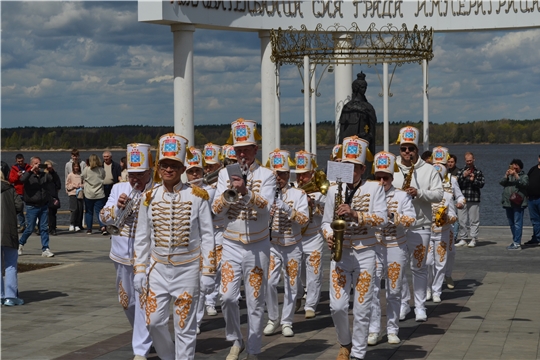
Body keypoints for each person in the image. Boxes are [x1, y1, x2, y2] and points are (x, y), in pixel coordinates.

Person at [133, 133, 216, 360]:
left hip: (187, 269)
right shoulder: (149, 197)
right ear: (159, 168)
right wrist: (140, 269)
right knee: (154, 321)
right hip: (158, 269)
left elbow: (208, 236)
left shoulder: (197, 196)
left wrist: (208, 271)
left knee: (185, 327)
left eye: (174, 166)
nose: (168, 170)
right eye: (165, 165)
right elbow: (142, 236)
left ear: (182, 169)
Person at [212, 118, 276, 360]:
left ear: (255, 150)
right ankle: (235, 340)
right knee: (227, 296)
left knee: (255, 300)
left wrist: (246, 192)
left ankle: (254, 348)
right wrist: (230, 192)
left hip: (258, 245)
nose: (241, 155)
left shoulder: (268, 175)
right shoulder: (223, 175)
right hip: (230, 243)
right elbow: (216, 209)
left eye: (246, 150)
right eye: (237, 150)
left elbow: (266, 207)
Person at [321, 136, 387, 360]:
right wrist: (329, 236)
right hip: (342, 253)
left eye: (353, 167)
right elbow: (324, 222)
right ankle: (345, 343)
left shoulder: (375, 188)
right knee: (337, 307)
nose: (349, 171)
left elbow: (382, 219)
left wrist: (355, 214)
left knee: (362, 307)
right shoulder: (333, 190)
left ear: (362, 168)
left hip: (366, 252)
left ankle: (358, 354)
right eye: (345, 166)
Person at [100, 143, 154, 360]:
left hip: (147, 256)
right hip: (121, 254)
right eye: (132, 175)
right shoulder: (118, 189)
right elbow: (103, 217)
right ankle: (143, 335)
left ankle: (140, 349)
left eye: (140, 175)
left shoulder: (157, 190)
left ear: (149, 172)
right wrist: (117, 209)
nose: (135, 180)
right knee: (127, 302)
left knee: (143, 300)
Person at [392, 126, 443, 322]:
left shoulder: (428, 169)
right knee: (400, 267)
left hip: (421, 225)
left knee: (420, 267)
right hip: (398, 227)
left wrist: (419, 193)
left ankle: (420, 306)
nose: (407, 152)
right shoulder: (391, 167)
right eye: (404, 148)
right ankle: (405, 303)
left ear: (417, 149)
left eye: (410, 149)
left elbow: (439, 194)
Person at [367, 151, 415, 346]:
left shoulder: (402, 196)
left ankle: (393, 328)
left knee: (394, 290)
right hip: (375, 246)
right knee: (372, 289)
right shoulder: (368, 194)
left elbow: (411, 220)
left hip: (396, 245)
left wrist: (392, 216)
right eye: (377, 177)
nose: (381, 181)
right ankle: (373, 329)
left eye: (385, 177)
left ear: (391, 177)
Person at [264, 149, 309, 338]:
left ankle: (287, 321)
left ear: (288, 174)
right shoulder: (265, 194)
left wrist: (287, 209)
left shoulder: (298, 194)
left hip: (292, 245)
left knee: (292, 284)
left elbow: (304, 219)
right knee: (269, 283)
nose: (278, 178)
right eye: (275, 174)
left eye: (281, 174)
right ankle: (273, 318)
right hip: (273, 244)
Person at [185, 147, 219, 334]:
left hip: (202, 243)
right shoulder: (181, 190)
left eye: (197, 171)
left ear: (203, 171)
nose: (194, 175)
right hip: (185, 246)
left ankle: (196, 321)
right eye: (191, 172)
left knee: (198, 286)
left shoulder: (209, 191)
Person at [294, 150, 327, 320]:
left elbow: (328, 211)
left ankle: (311, 305)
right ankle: (299, 294)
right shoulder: (293, 190)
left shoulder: (320, 192)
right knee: (297, 272)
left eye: (304, 175)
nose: (301, 179)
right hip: (296, 237)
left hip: (313, 236)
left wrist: (314, 204)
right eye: (299, 175)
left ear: (312, 174)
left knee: (314, 272)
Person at [426, 163, 457, 303]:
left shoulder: (448, 196)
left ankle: (436, 290)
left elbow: (454, 216)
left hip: (442, 233)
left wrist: (446, 219)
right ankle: (427, 288)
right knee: (427, 263)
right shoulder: (424, 194)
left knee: (440, 263)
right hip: (427, 232)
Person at [199, 143, 223, 319]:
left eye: (211, 166)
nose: (208, 170)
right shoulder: (199, 185)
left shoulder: (222, 183)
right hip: (203, 232)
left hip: (220, 229)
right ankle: (205, 303)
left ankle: (211, 300)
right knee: (203, 267)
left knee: (218, 267)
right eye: (205, 166)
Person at [338, 72, 377, 174]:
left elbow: (372, 132)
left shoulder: (368, 107)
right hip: (349, 152)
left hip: (364, 150)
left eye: (365, 87)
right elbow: (342, 134)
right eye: (362, 87)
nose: (364, 89)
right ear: (356, 88)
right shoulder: (348, 108)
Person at [17, 156, 55, 258]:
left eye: (39, 163)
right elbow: (22, 180)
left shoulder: (44, 175)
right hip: (31, 206)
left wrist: (50, 170)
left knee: (43, 228)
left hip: (43, 205)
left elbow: (52, 179)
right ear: (31, 164)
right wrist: (31, 170)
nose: (38, 166)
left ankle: (45, 248)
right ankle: (20, 244)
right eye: (35, 163)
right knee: (30, 228)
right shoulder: (28, 175)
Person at [1, 172, 25, 306]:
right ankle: (10, 296)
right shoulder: (10, 189)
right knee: (10, 264)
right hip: (8, 230)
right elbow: (19, 206)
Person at [455, 152, 485, 248]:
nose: (469, 162)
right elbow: (455, 183)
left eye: (470, 160)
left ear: (474, 160)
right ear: (465, 160)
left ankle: (474, 238)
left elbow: (482, 184)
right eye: (467, 161)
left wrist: (474, 180)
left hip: (474, 198)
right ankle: (463, 238)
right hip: (462, 198)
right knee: (461, 220)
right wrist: (464, 176)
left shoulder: (478, 171)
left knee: (474, 220)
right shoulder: (460, 171)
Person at [500, 159, 529, 250]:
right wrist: (506, 175)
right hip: (508, 203)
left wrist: (516, 176)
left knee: (517, 223)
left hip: (518, 203)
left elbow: (525, 184)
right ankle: (515, 241)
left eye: (517, 165)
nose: (515, 167)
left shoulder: (524, 176)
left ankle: (517, 243)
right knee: (512, 223)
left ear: (520, 167)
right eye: (513, 165)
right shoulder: (509, 176)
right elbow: (501, 183)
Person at [82, 154, 107, 235]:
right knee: (100, 211)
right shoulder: (101, 169)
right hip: (99, 193)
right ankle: (103, 227)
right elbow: (103, 177)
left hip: (89, 193)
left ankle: (89, 228)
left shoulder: (86, 169)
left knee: (89, 212)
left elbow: (82, 176)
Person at [8, 154, 31, 232]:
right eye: (19, 161)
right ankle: (22, 225)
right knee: (19, 210)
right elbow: (10, 180)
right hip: (18, 192)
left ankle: (31, 225)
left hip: (28, 192)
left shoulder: (28, 168)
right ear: (16, 161)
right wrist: (17, 176)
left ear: (24, 160)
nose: (20, 163)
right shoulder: (14, 169)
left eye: (21, 161)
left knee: (29, 209)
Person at [524, 155, 540, 245]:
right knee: (535, 220)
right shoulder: (533, 169)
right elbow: (527, 182)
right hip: (531, 199)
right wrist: (526, 194)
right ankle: (536, 238)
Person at [44, 160, 62, 236]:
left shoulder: (54, 175)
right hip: (44, 196)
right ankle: (44, 228)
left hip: (53, 196)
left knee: (52, 213)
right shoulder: (43, 174)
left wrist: (52, 171)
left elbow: (58, 185)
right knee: (44, 213)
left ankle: (53, 228)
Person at [66, 162, 84, 232]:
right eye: (75, 166)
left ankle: (77, 224)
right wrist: (73, 186)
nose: (76, 168)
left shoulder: (81, 175)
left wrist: (81, 186)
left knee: (80, 209)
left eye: (77, 166)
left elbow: (84, 183)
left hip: (80, 193)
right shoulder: (70, 175)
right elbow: (67, 185)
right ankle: (72, 224)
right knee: (74, 209)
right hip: (72, 193)